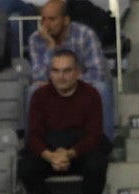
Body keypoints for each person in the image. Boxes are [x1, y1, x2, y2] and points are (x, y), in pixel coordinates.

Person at [19, 49, 110, 194]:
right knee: (26, 167)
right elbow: (34, 136)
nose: (61, 76)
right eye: (55, 71)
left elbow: (94, 135)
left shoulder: (91, 95)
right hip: (49, 150)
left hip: (80, 151)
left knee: (97, 164)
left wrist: (68, 154)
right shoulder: (39, 96)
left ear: (77, 73)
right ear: (50, 73)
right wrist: (51, 156)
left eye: (67, 71)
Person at [27, 0, 113, 131]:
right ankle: (33, 147)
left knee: (101, 89)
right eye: (43, 19)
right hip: (53, 88)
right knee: (32, 91)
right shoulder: (36, 39)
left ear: (66, 20)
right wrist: (50, 48)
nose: (45, 25)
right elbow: (38, 77)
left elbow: (97, 73)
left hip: (81, 87)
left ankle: (106, 145)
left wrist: (69, 82)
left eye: (52, 19)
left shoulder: (85, 34)